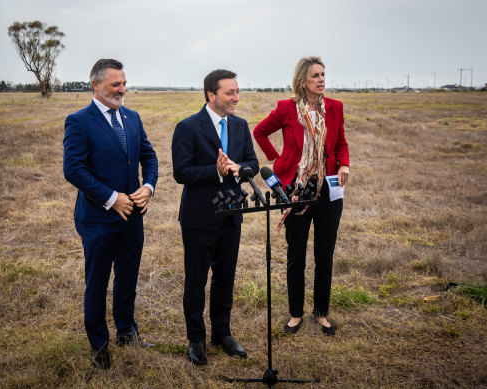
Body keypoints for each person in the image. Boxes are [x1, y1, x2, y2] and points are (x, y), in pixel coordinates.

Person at [63, 58, 158, 369]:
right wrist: (109, 198)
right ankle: (98, 344)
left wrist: (148, 187)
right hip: (97, 219)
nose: (122, 89)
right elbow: (73, 169)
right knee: (98, 281)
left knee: (127, 278)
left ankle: (127, 332)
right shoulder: (79, 121)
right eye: (116, 84)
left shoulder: (132, 117)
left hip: (133, 216)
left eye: (124, 83)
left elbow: (149, 155)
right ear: (96, 85)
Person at [253, 56, 350, 336]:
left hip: (329, 191)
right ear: (302, 82)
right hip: (295, 191)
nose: (321, 80)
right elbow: (260, 132)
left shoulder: (334, 108)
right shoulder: (286, 108)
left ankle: (321, 313)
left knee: (324, 254)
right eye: (315, 76)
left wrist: (343, 164)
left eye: (323, 74)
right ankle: (296, 313)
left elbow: (341, 142)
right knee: (296, 254)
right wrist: (279, 159)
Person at [172, 69, 259, 365]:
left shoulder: (240, 125)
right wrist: (215, 170)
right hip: (199, 219)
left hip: (232, 214)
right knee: (196, 280)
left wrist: (239, 168)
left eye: (237, 91)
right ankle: (196, 339)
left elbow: (253, 163)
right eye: (230, 93)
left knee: (225, 278)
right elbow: (181, 172)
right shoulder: (188, 127)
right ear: (212, 95)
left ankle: (222, 333)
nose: (237, 97)